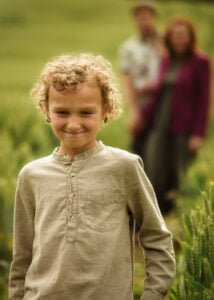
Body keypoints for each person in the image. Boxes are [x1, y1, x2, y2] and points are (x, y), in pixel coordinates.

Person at [9, 53, 175, 300]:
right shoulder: (31, 175)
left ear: (106, 109)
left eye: (86, 113)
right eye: (62, 112)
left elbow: (157, 237)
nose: (73, 124)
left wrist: (153, 293)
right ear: (46, 109)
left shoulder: (124, 166)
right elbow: (22, 257)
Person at [140, 16, 211, 214]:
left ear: (190, 37)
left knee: (178, 172)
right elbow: (161, 91)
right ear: (169, 39)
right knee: (154, 167)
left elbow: (204, 100)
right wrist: (142, 117)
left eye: (183, 35)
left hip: (184, 126)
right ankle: (154, 215)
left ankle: (178, 216)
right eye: (174, 35)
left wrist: (198, 134)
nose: (179, 39)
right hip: (159, 123)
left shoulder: (201, 62)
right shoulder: (166, 60)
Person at [119, 0, 162, 157]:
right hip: (141, 103)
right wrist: (134, 111)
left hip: (164, 103)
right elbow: (127, 80)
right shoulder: (129, 47)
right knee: (139, 147)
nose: (144, 22)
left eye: (147, 17)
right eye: (140, 18)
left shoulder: (166, 42)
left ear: (154, 18)